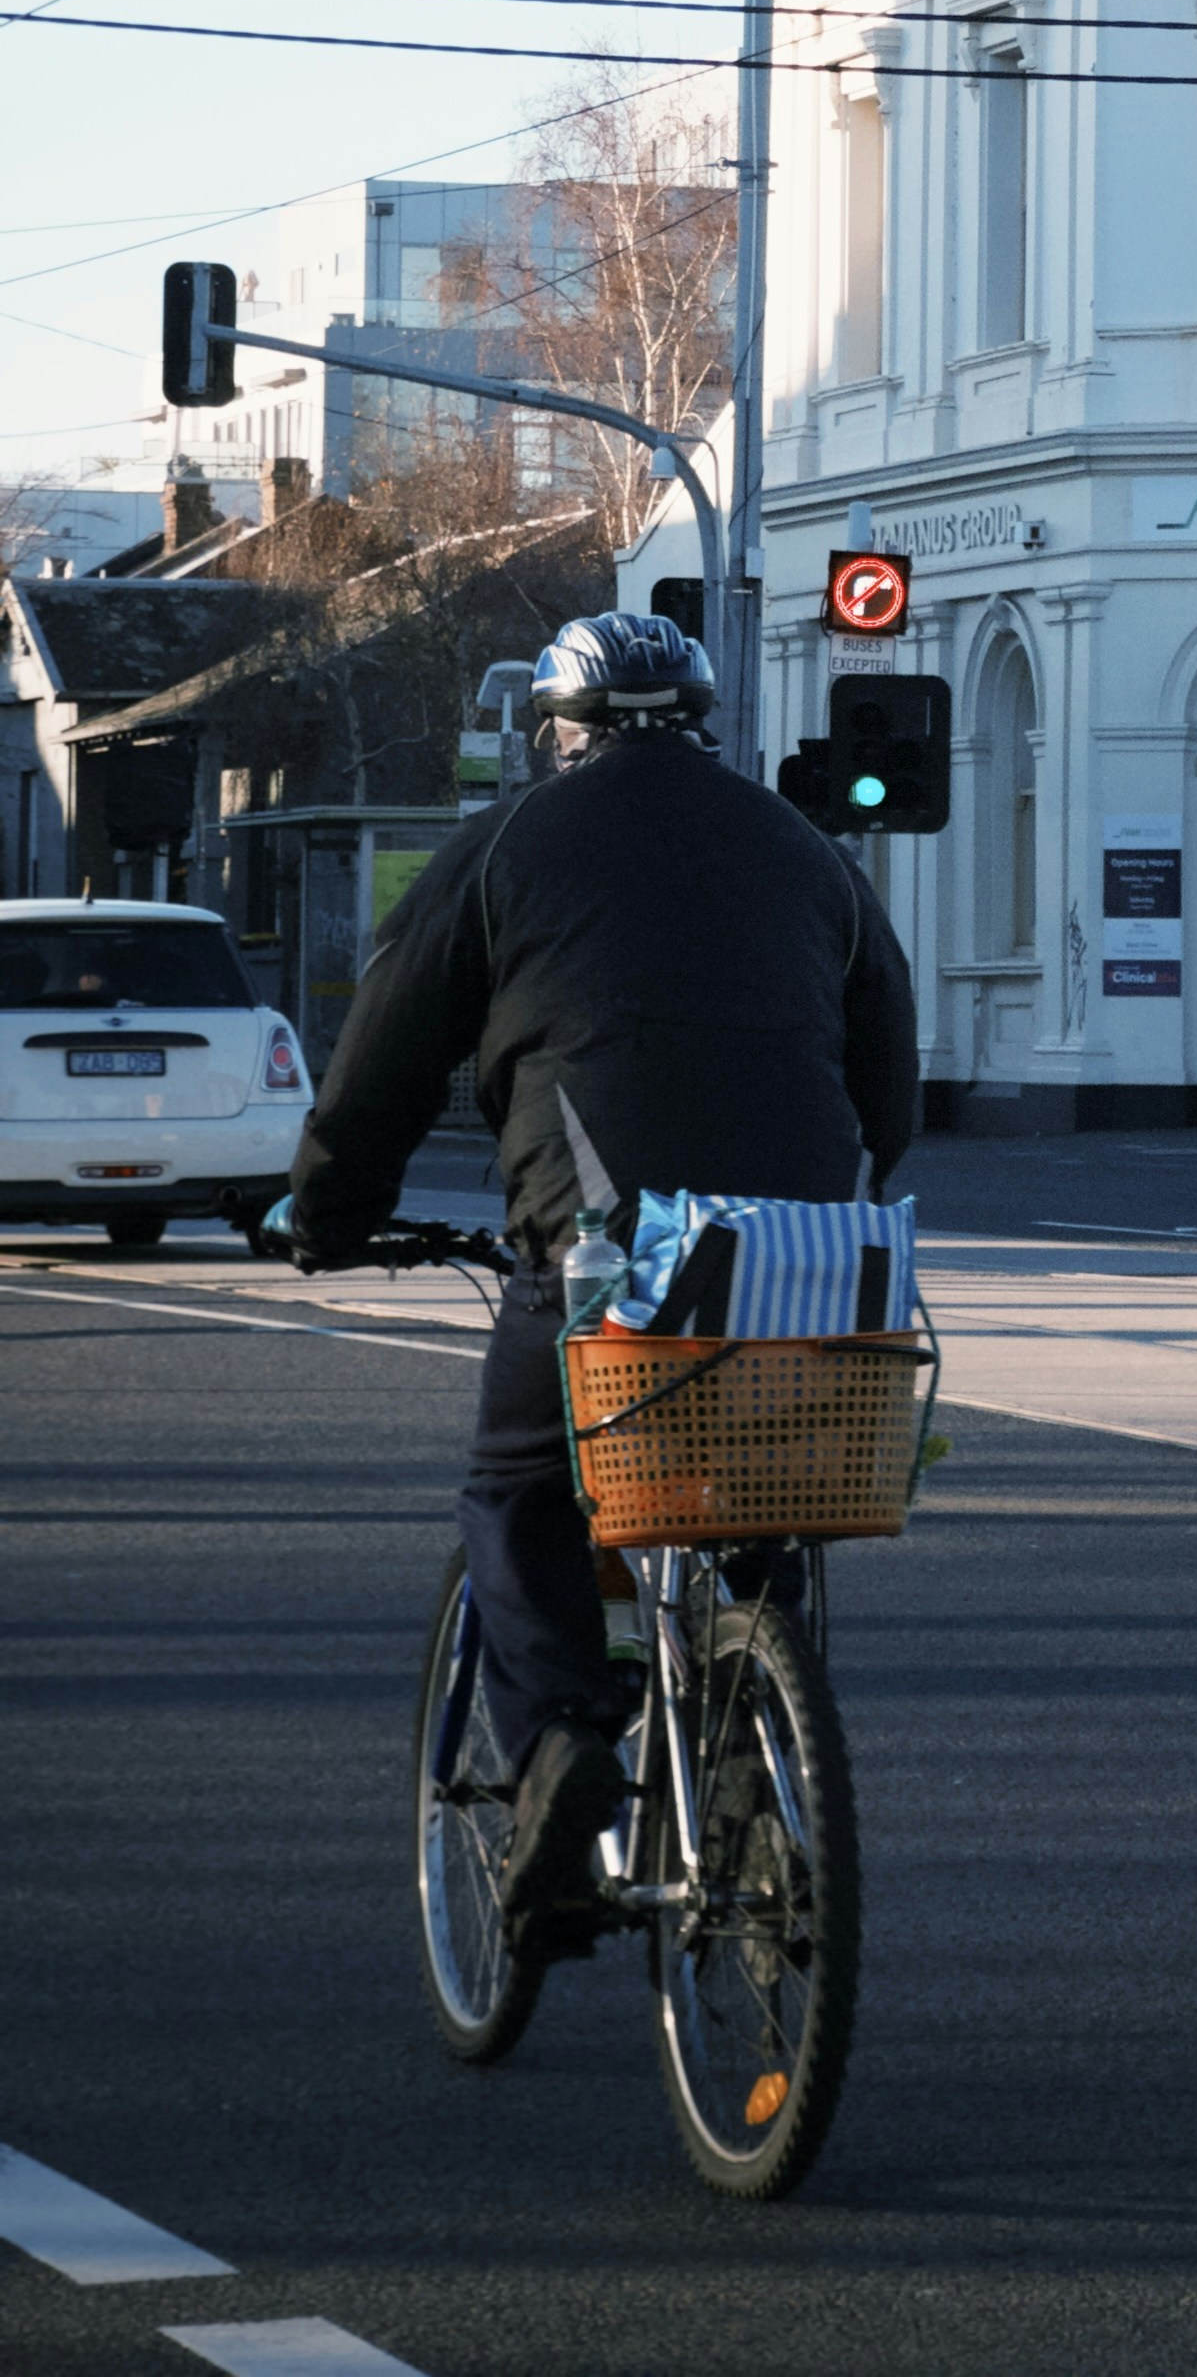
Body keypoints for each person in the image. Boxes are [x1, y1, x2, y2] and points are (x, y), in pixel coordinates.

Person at [279, 609, 917, 1944]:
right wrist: (852, 1173)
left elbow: (390, 1043)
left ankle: (566, 1739)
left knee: (517, 1488)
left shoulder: (512, 840)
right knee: (763, 1488)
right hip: (802, 1250)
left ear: (558, 730)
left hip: (609, 1248)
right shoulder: (806, 848)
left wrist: (334, 1208)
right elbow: (888, 1050)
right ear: (697, 721)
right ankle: (753, 1723)